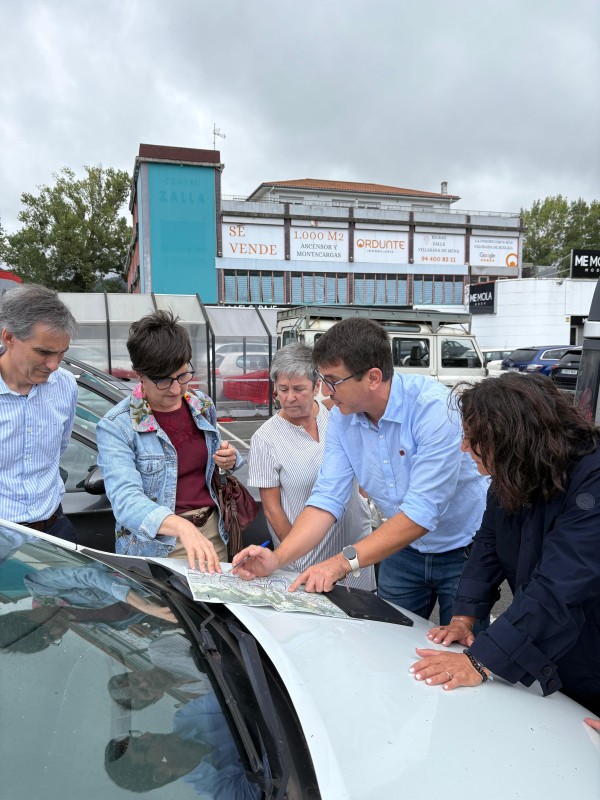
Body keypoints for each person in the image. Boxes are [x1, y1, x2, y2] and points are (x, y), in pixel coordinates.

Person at [234, 318, 488, 625]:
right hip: (400, 549)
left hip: (462, 552)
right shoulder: (343, 417)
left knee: (460, 652)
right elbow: (327, 498)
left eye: (332, 381)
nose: (324, 392)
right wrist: (278, 559)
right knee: (387, 638)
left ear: (373, 377)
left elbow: (422, 511)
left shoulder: (434, 410)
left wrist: (341, 563)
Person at [410, 373, 600, 717]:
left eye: (473, 438)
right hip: (556, 659)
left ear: (511, 437)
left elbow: (560, 585)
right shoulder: (515, 471)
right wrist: (464, 617)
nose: (463, 447)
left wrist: (482, 660)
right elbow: (487, 546)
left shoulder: (593, 480)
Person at [97, 310, 242, 570]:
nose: (176, 389)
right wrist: (182, 527)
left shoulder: (201, 404)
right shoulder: (117, 425)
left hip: (212, 533)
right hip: (155, 544)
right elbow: (127, 501)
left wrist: (229, 458)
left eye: (183, 375)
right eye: (163, 381)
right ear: (139, 374)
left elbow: (213, 467)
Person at [248, 343, 375, 590]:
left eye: (298, 389)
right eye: (282, 389)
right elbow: (272, 509)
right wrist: (296, 555)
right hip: (307, 558)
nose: (289, 397)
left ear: (317, 386)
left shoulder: (339, 416)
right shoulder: (266, 438)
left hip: (355, 549)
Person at [0, 284, 78, 542]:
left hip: (55, 528)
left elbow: (60, 446)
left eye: (61, 354)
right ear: (8, 337)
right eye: (44, 352)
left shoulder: (65, 385)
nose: (54, 365)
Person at [105, 693, 261, 798]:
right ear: (162, 774)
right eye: (141, 746)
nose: (147, 735)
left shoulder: (186, 717)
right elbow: (278, 773)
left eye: (137, 737)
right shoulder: (221, 790)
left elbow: (237, 691)